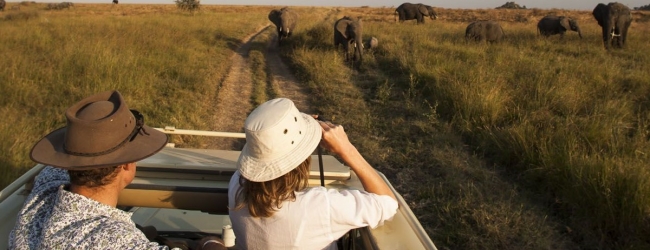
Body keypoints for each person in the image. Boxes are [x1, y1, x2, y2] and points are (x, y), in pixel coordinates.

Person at [8, 90, 225, 250]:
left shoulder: (40, 201)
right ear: (127, 165)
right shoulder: (114, 240)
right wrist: (211, 243)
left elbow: (53, 169)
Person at [228, 98, 398, 249]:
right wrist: (347, 149)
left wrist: (295, 129)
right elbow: (388, 203)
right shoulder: (319, 207)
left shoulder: (237, 186)